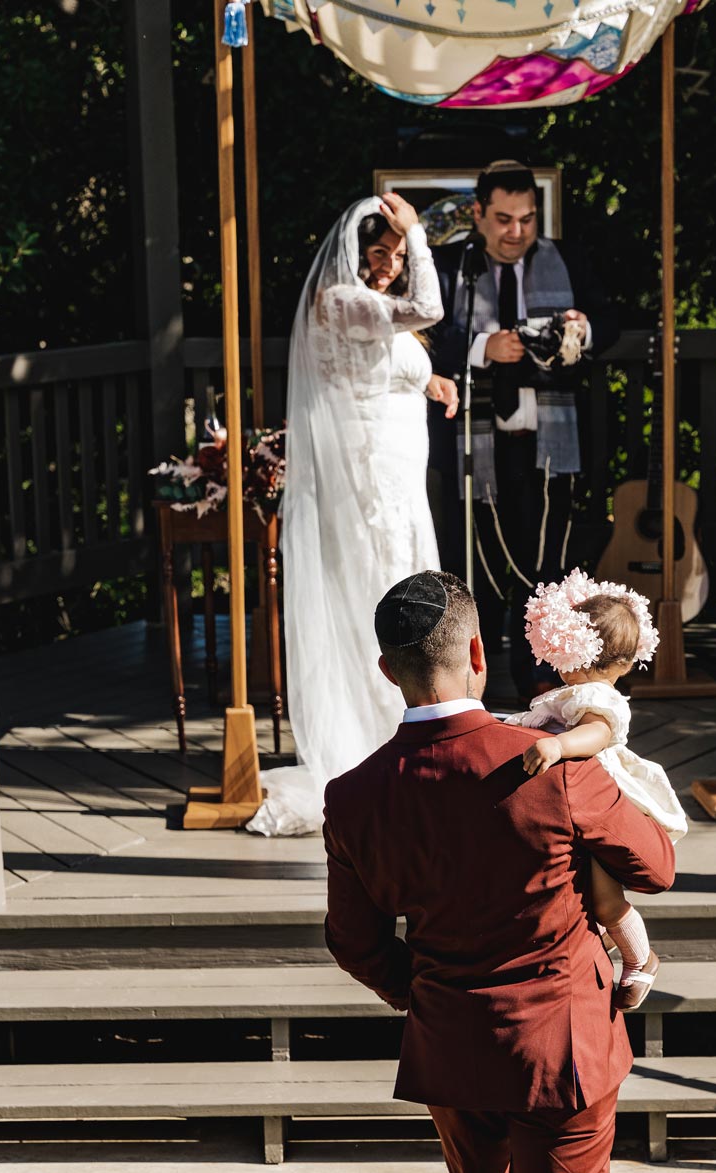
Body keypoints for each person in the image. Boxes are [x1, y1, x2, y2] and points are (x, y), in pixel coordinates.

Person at [323, 569, 675, 1173]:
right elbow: (656, 866)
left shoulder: (352, 797)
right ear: (479, 654)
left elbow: (355, 943)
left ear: (387, 671)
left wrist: (428, 998)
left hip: (450, 1040)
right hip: (562, 1042)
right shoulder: (550, 763)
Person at [248, 194, 458, 837]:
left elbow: (381, 362)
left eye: (399, 254)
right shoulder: (340, 300)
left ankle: (415, 724)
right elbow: (427, 310)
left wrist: (431, 382)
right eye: (381, 253)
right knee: (383, 591)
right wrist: (421, 234)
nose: (392, 264)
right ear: (352, 252)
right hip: (368, 483)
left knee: (410, 584)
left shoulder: (365, 309)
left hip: (399, 478)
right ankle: (380, 738)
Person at [427, 159, 620, 702]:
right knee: (480, 567)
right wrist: (480, 348)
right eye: (505, 219)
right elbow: (422, 335)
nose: (517, 233)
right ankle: (477, 681)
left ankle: (541, 676)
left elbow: (610, 322)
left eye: (528, 220)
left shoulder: (568, 260)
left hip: (547, 440)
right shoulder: (449, 266)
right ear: (479, 215)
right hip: (473, 440)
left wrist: (582, 328)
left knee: (546, 564)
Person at [504, 568, 688, 1011]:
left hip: (603, 807)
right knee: (581, 888)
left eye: (568, 656)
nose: (561, 665)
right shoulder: (577, 692)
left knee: (606, 899)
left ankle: (640, 957)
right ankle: (603, 944)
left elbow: (596, 735)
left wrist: (558, 745)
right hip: (577, 808)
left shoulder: (600, 699)